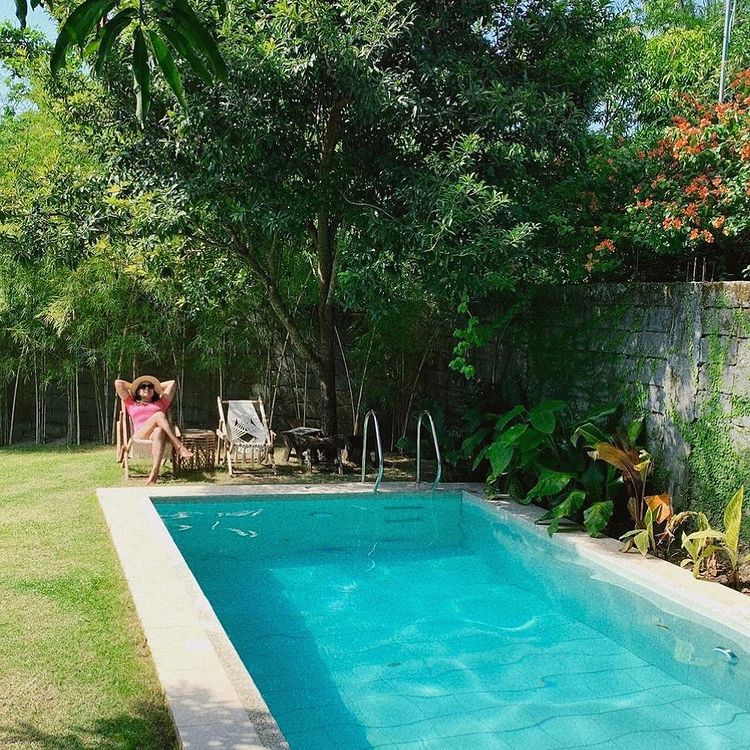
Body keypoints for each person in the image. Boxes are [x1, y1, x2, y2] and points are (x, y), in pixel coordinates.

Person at [115, 376, 193, 484]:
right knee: (159, 415)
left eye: (150, 387)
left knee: (160, 431)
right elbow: (118, 383)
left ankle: (155, 472)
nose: (147, 388)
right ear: (137, 391)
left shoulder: (161, 403)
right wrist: (134, 386)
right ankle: (178, 446)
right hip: (139, 436)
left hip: (155, 436)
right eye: (143, 386)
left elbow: (173, 383)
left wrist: (156, 386)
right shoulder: (131, 403)